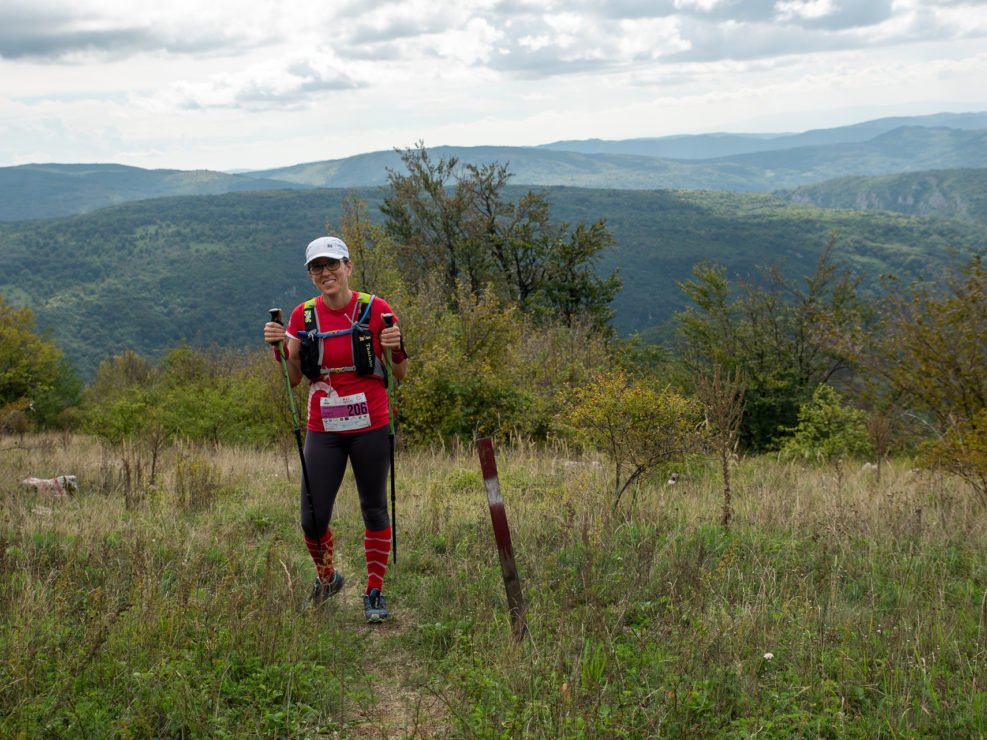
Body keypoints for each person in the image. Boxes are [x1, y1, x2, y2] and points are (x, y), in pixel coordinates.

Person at [263, 235, 408, 623]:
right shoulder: (302, 316)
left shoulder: (376, 309)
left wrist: (396, 346)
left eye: (332, 264)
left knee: (374, 508)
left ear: (348, 266)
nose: (326, 272)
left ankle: (374, 591)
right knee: (311, 518)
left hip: (370, 423)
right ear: (310, 274)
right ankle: (328, 578)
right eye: (317, 267)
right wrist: (279, 350)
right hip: (323, 428)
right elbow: (295, 378)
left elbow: (400, 372)